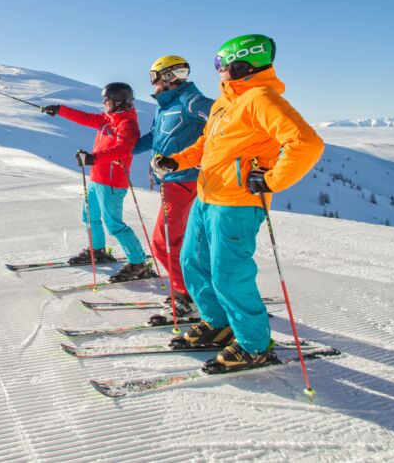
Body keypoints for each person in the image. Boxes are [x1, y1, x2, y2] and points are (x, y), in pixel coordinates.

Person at [152, 34, 323, 371]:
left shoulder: (261, 99)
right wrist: (178, 160)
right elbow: (207, 144)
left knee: (229, 274)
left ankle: (254, 345)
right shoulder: (224, 102)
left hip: (238, 203)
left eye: (221, 64)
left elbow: (307, 143)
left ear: (241, 64)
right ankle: (218, 325)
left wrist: (272, 180)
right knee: (193, 262)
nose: (217, 71)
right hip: (207, 196)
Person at [41, 83, 155, 283]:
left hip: (112, 183)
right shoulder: (108, 119)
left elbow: (124, 149)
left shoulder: (127, 124)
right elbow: (85, 118)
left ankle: (138, 264)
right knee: (89, 217)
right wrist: (60, 110)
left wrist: (93, 158)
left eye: (107, 100)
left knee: (114, 225)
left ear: (118, 102)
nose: (104, 103)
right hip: (96, 179)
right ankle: (97, 251)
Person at [133, 55, 213, 317]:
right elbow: (155, 137)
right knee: (179, 241)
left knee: (164, 242)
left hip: (185, 181)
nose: (153, 82)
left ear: (166, 77)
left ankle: (185, 295)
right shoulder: (165, 105)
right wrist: (127, 148)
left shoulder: (190, 101)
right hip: (171, 181)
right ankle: (195, 289)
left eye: (154, 76)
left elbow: (221, 117)